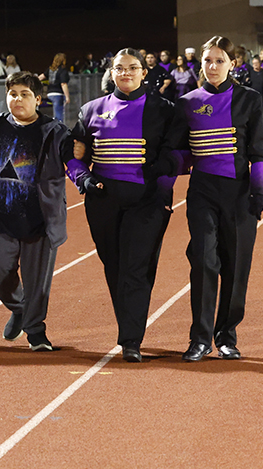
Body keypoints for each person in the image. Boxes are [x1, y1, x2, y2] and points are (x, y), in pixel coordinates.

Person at [166, 36, 263, 362]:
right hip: (202, 192)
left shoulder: (249, 99)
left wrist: (262, 194)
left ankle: (226, 336)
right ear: (200, 64)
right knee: (202, 261)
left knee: (236, 265)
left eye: (219, 61)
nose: (212, 67)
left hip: (241, 194)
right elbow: (176, 151)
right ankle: (199, 338)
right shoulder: (186, 103)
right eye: (208, 61)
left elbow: (260, 151)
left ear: (232, 64)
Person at [67, 48, 176, 362]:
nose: (126, 73)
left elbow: (178, 153)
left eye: (132, 68)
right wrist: (83, 179)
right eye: (119, 68)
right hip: (102, 200)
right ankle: (130, 325)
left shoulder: (164, 109)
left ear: (144, 72)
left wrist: (162, 182)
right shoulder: (90, 109)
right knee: (114, 266)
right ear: (111, 73)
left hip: (147, 201)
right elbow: (74, 155)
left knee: (136, 267)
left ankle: (131, 340)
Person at [0, 71, 73, 352]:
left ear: (38, 99)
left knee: (37, 280)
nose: (17, 99)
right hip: (0, 215)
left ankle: (36, 331)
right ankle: (20, 308)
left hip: (39, 218)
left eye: (24, 94)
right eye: (13, 94)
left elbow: (72, 158)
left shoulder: (54, 131)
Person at [39, 52, 71, 122]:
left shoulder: (50, 70)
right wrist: (67, 96)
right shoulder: (63, 71)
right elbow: (63, 84)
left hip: (49, 93)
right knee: (59, 116)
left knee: (52, 113)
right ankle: (58, 130)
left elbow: (41, 77)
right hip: (58, 94)